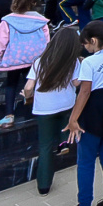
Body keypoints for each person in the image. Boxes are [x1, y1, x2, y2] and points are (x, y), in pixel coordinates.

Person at [61, 21, 103, 206]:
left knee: (86, 162)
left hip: (92, 114)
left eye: (86, 44)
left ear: (94, 40)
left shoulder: (89, 62)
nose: (85, 48)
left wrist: (73, 119)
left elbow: (85, 92)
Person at [0, 0, 50, 129]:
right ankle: (39, 111)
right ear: (34, 4)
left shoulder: (8, 20)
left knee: (11, 84)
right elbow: (47, 43)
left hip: (15, 58)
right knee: (32, 82)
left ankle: (9, 116)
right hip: (35, 59)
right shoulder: (42, 21)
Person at [22, 27, 81, 195]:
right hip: (67, 104)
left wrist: (27, 96)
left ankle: (44, 186)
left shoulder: (40, 61)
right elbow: (76, 83)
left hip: (45, 108)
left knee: (45, 146)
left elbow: (28, 87)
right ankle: (63, 142)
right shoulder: (74, 61)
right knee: (65, 122)